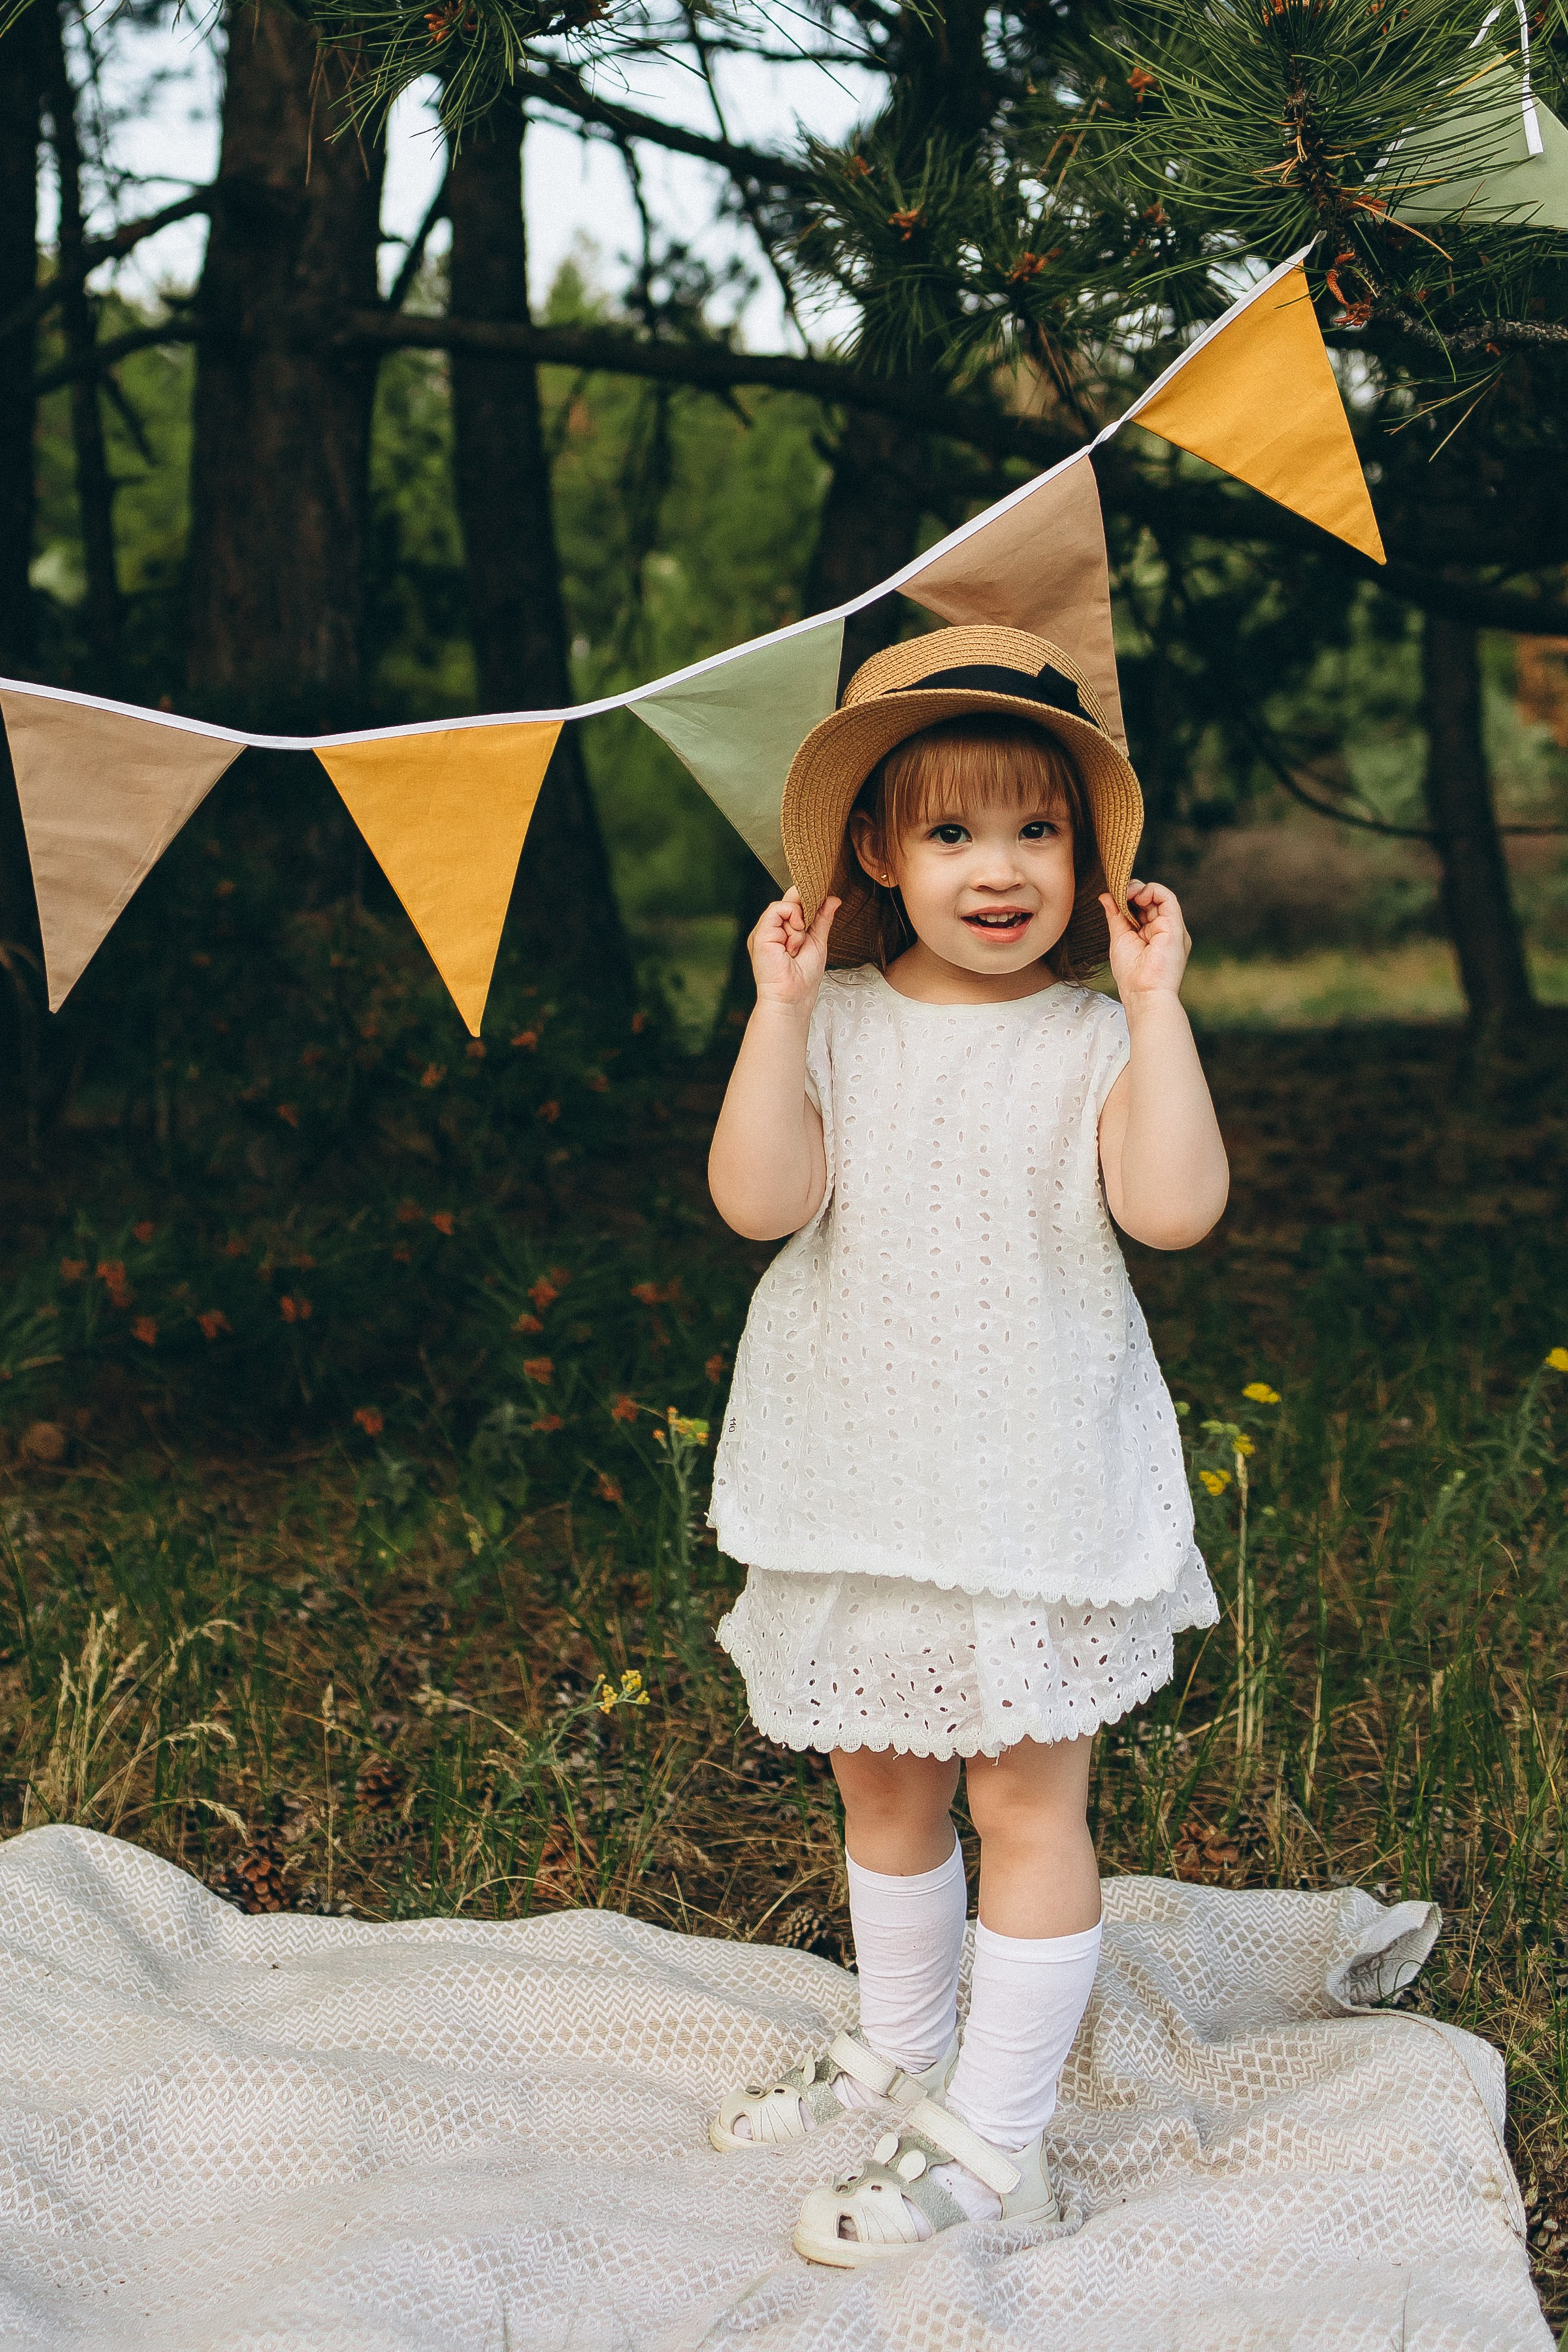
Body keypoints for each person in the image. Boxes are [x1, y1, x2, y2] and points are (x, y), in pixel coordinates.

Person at [702, 625, 1229, 2266]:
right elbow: (760, 1202)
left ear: (1086, 859)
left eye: (1037, 830)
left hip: (1027, 1480)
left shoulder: (1090, 1036)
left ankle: (998, 2138)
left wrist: (1156, 1008)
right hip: (862, 1471)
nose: (999, 869)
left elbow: (1174, 1210)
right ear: (877, 853)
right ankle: (903, 2046)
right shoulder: (838, 1020)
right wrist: (778, 1013)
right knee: (881, 1776)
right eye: (951, 832)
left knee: (1023, 1798)